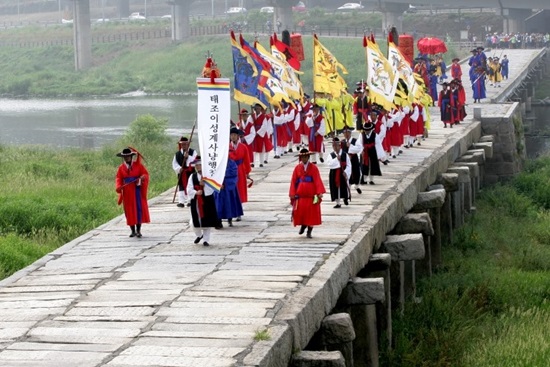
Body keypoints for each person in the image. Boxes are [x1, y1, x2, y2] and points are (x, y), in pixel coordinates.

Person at [289, 148, 326, 238]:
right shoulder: (297, 168)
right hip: (301, 195)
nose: (304, 159)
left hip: (311, 195)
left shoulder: (314, 168)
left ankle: (309, 231)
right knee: (301, 212)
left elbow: (317, 180)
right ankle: (303, 225)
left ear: (308, 157)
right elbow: (293, 181)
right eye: (302, 157)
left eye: (305, 157)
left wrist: (319, 192)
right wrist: (292, 193)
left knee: (311, 214)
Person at [115, 147, 150, 238]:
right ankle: (132, 231)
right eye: (125, 156)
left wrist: (142, 177)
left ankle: (138, 230)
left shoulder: (138, 166)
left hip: (136, 191)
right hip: (127, 192)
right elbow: (118, 178)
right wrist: (118, 186)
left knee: (138, 209)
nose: (127, 158)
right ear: (123, 158)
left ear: (131, 156)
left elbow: (145, 174)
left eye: (128, 156)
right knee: (129, 211)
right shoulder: (121, 168)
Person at [187, 157, 219, 246]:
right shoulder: (192, 176)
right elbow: (189, 188)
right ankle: (199, 235)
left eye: (199, 165)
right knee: (194, 221)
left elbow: (214, 187)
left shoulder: (208, 176)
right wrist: (196, 192)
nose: (198, 167)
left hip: (207, 200)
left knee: (207, 220)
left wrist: (205, 186)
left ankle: (206, 240)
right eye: (196, 165)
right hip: (196, 200)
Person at [229, 127, 252, 219]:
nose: (233, 137)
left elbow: (246, 160)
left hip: (240, 169)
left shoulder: (243, 147)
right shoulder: (227, 147)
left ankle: (239, 212)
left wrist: (247, 172)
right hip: (230, 170)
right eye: (231, 135)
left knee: (240, 190)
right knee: (231, 190)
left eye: (235, 135)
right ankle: (231, 211)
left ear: (238, 136)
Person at [214, 158, 243, 227]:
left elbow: (234, 172)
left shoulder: (231, 162)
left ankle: (230, 219)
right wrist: (219, 182)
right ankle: (218, 221)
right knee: (218, 205)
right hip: (219, 187)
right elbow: (213, 173)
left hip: (229, 186)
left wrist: (223, 174)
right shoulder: (216, 161)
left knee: (229, 203)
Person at [172, 136, 197, 208]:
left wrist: (188, 157)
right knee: (181, 186)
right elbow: (174, 163)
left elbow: (195, 161)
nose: (184, 145)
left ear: (188, 144)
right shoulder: (177, 154)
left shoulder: (193, 152)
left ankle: (190, 200)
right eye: (182, 144)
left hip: (190, 172)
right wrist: (179, 168)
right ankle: (181, 201)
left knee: (190, 186)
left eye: (185, 144)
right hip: (182, 172)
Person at [327, 137, 351, 208]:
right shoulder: (331, 155)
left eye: (336, 145)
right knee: (335, 187)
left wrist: (346, 172)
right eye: (333, 146)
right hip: (334, 173)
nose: (335, 147)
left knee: (343, 186)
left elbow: (349, 164)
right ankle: (338, 202)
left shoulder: (344, 154)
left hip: (343, 172)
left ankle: (345, 197)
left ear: (339, 146)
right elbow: (329, 164)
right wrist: (336, 160)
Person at [340, 126, 363, 194]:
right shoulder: (342, 142)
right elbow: (340, 151)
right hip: (346, 161)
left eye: (348, 132)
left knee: (357, 173)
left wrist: (350, 146)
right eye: (345, 133)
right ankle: (347, 191)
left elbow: (359, 149)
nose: (346, 134)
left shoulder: (355, 141)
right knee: (347, 174)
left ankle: (356, 186)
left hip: (354, 159)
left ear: (350, 133)